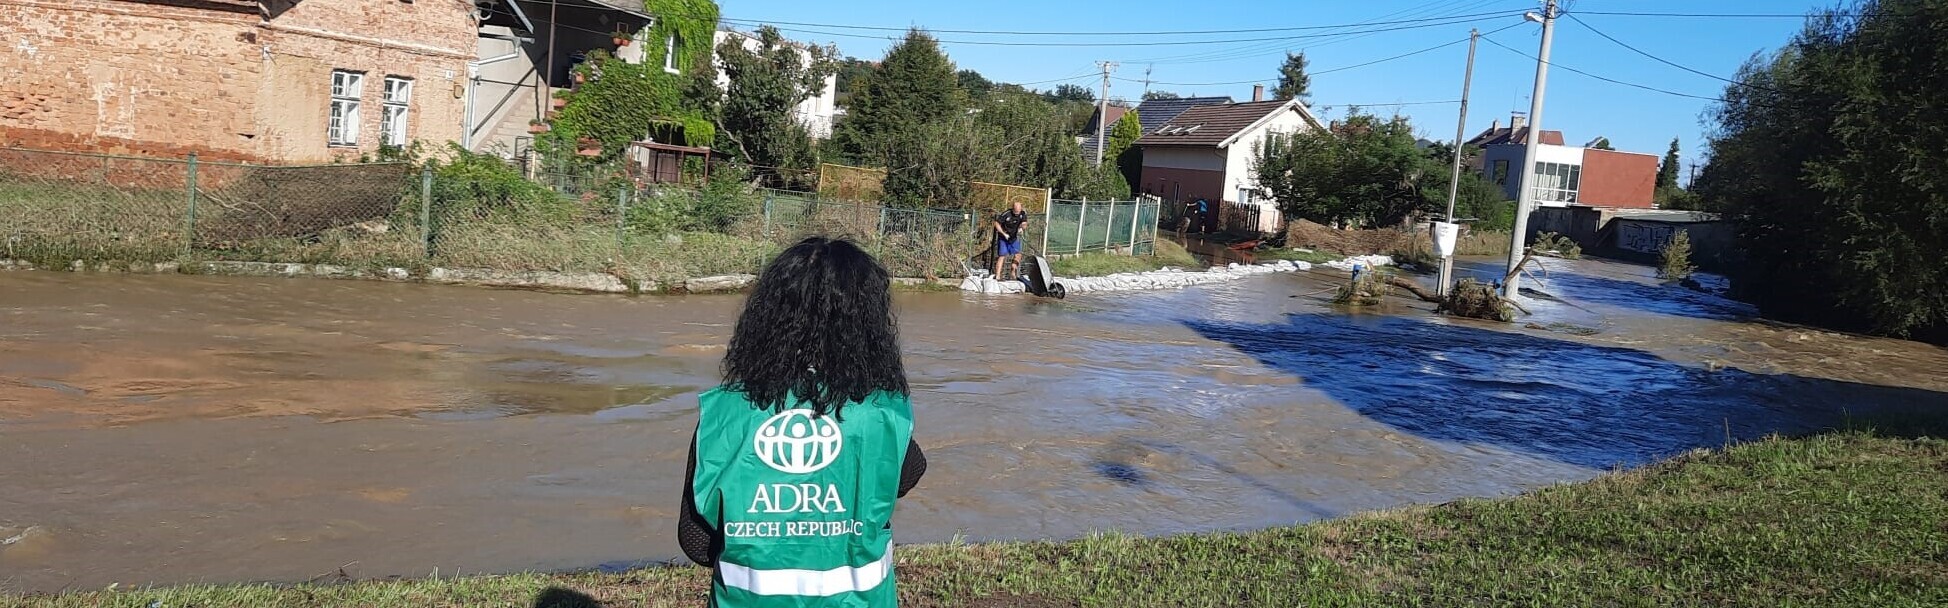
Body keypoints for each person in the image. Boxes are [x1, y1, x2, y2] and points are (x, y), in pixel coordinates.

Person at [679, 237, 926, 607]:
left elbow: (695, 541)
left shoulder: (726, 413)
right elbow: (909, 472)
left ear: (766, 317)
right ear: (868, 324)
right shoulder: (882, 416)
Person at [991, 201, 1030, 280]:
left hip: (1013, 238)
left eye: (1018, 212)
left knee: (1018, 254)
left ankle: (1013, 270)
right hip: (1004, 237)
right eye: (1015, 212)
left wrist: (1021, 227)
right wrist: (1003, 233)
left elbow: (1025, 223)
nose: (1017, 214)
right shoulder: (1006, 214)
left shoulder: (1022, 214)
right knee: (1002, 256)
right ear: (1013, 209)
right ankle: (997, 275)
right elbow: (996, 224)